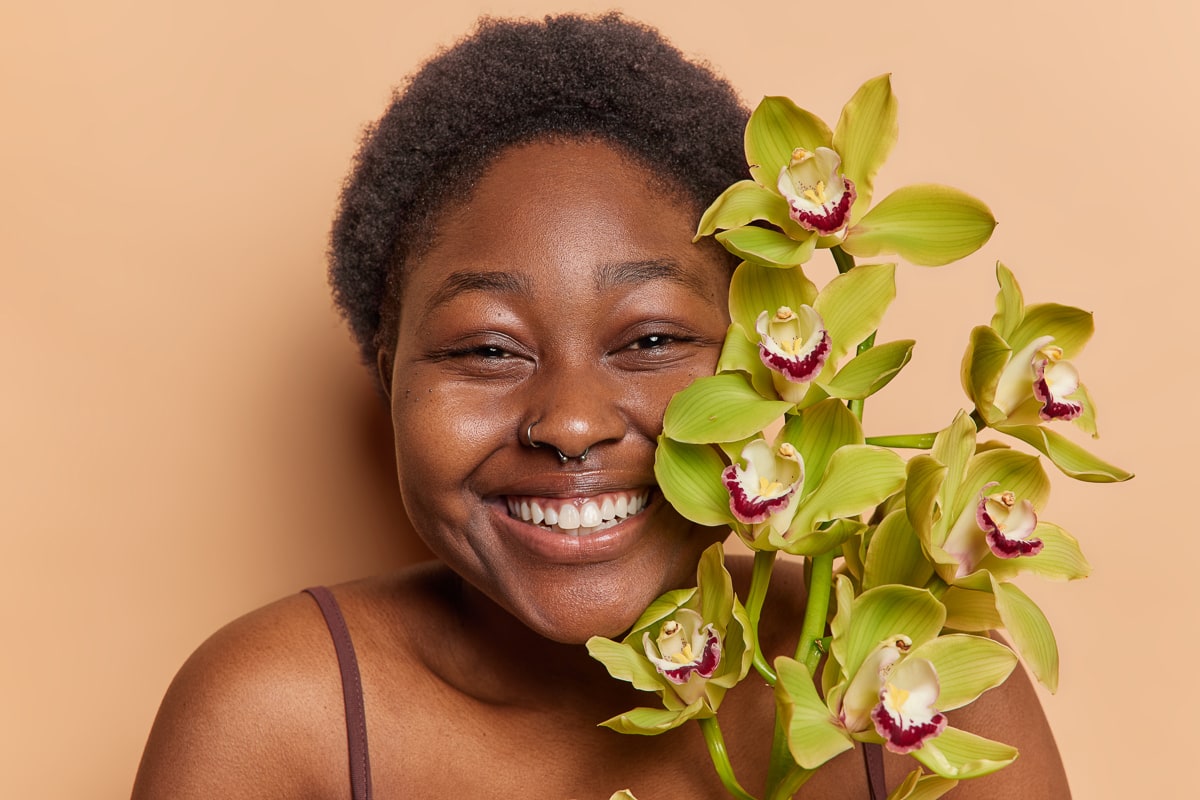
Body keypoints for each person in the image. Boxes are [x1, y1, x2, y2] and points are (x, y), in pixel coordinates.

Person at [131, 14, 1070, 798]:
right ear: (390, 375)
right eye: (487, 349)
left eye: (653, 342)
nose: (573, 423)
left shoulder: (922, 683)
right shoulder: (278, 721)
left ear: (775, 364)